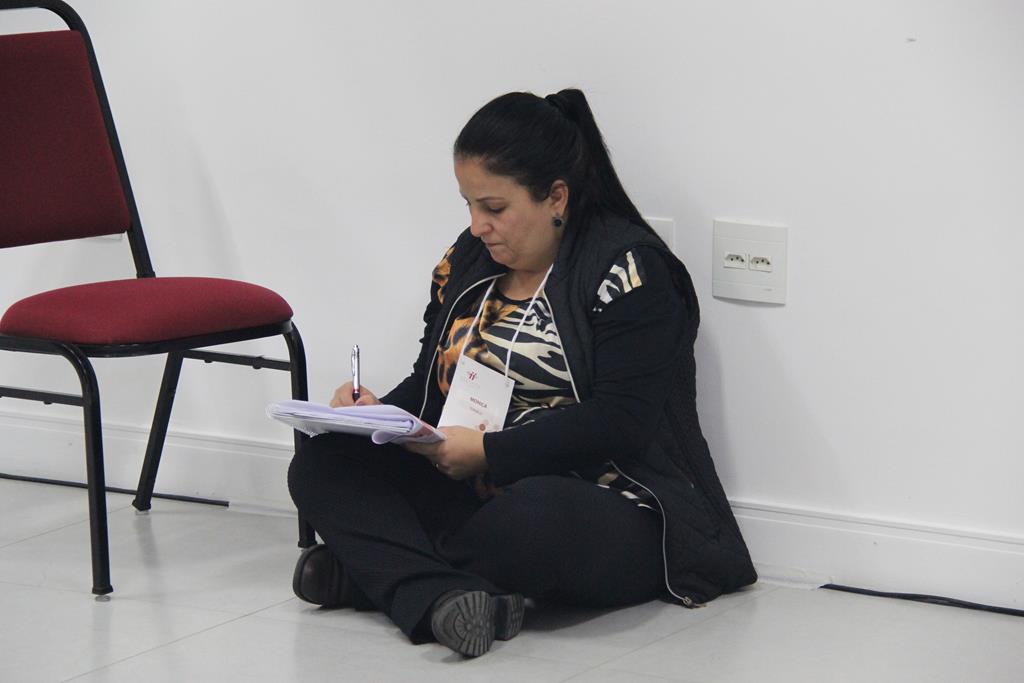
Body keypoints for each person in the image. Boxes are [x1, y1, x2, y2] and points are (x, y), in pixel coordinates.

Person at [287, 88, 757, 658]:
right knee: (320, 463)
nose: (477, 226)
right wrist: (377, 414)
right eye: (468, 205)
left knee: (534, 519)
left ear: (555, 197)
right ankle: (441, 597)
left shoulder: (628, 270)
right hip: (473, 490)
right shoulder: (468, 261)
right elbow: (430, 384)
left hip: (603, 504)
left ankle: (374, 576)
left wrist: (490, 453)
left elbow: (621, 423)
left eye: (494, 208)